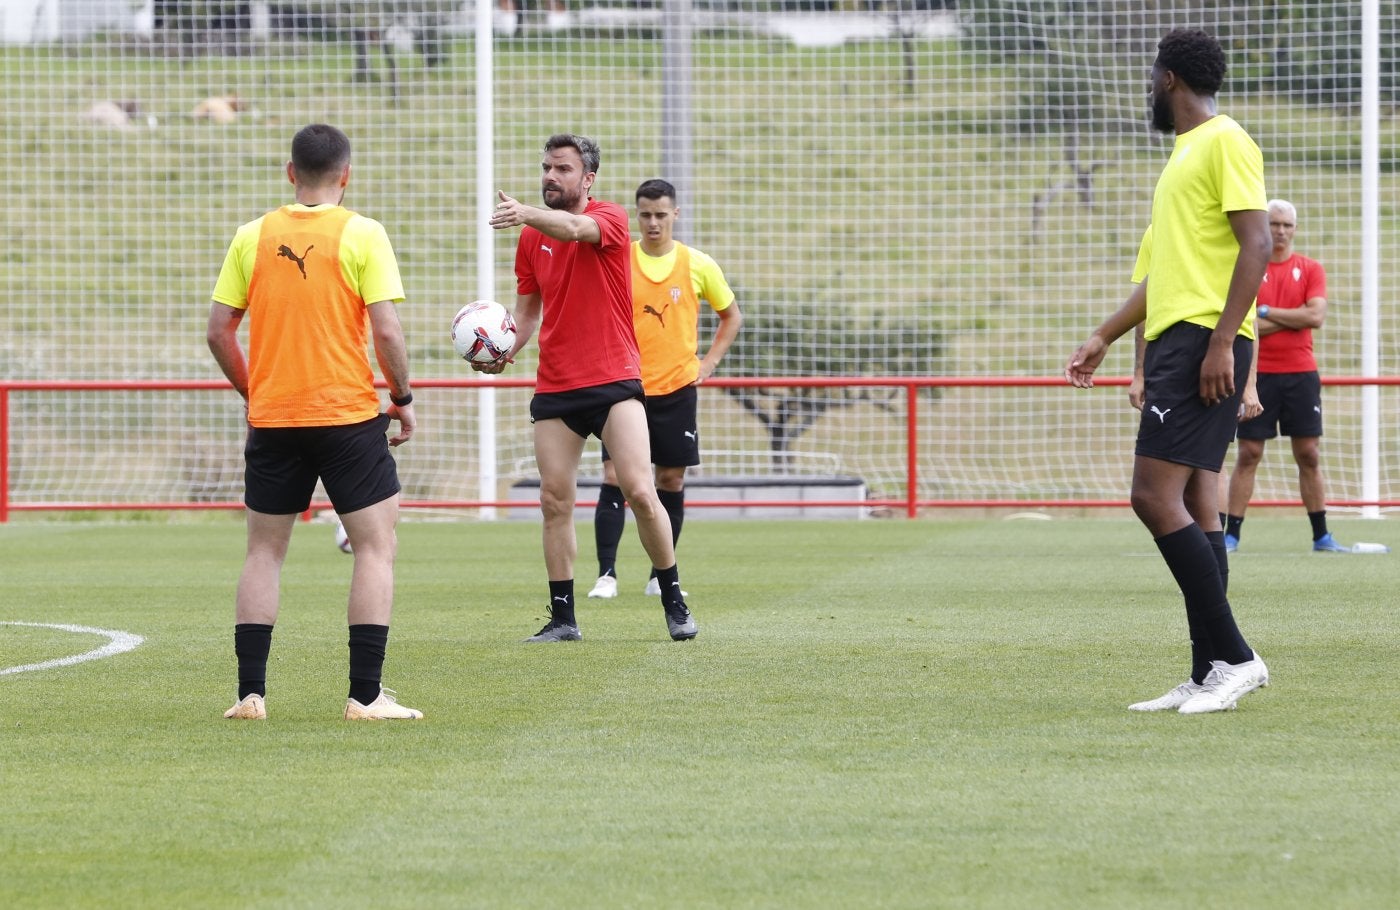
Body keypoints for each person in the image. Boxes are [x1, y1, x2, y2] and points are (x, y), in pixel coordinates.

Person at [1065, 29, 1271, 715]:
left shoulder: (1225, 140)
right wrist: (1104, 335)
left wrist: (1220, 343)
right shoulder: (1182, 157)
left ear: (1168, 79)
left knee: (1151, 496)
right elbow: (1161, 277)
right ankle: (1208, 667)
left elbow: (1258, 241)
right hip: (1180, 339)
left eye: (1152, 73)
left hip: (1203, 343)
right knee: (1198, 501)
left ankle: (1238, 657)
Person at [207, 123, 423, 721]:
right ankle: (365, 695)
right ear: (346, 176)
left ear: (289, 172)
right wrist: (402, 395)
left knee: (263, 554)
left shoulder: (253, 236)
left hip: (274, 419)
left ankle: (250, 694)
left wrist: (259, 394)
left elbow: (217, 331)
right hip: (347, 415)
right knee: (376, 549)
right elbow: (385, 329)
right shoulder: (362, 233)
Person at [482, 134, 698, 643]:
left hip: (613, 379)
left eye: (562, 169)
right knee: (555, 500)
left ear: (588, 179)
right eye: (546, 168)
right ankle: (563, 618)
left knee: (641, 491)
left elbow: (578, 228)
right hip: (557, 383)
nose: (550, 176)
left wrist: (528, 213)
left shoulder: (611, 217)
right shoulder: (531, 237)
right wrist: (505, 351)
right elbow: (528, 309)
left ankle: (673, 598)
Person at [586, 179, 743, 600]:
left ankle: (660, 574)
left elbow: (731, 316)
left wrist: (707, 364)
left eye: (661, 214)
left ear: (676, 214)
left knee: (669, 480)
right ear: (636, 215)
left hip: (676, 389)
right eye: (645, 214)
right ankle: (607, 574)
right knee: (615, 477)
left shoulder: (697, 264)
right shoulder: (620, 258)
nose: (653, 223)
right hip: (624, 388)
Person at [1222, 199, 1349, 554]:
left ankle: (1321, 535)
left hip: (1301, 373)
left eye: (1287, 225)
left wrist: (1265, 313)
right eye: (1274, 223)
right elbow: (1245, 322)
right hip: (1257, 374)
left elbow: (1316, 317)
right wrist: (1288, 316)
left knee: (1308, 453)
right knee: (1249, 452)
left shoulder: (1310, 269)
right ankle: (1231, 535)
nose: (1280, 231)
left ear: (1295, 229)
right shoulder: (1249, 267)